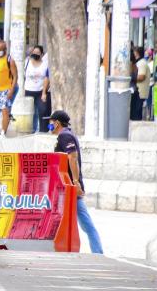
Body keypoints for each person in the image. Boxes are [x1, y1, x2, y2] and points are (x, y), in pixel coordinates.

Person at [48, 110, 103, 254]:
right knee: (79, 222)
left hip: (70, 187)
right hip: (66, 186)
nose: (49, 125)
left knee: (85, 223)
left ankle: (98, 252)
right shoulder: (65, 135)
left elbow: (72, 158)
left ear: (57, 123)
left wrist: (76, 183)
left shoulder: (65, 135)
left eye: (51, 123)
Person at [24, 45, 50, 134]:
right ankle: (32, 130)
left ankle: (42, 130)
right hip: (28, 90)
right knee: (31, 112)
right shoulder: (27, 62)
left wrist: (44, 92)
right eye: (34, 52)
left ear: (42, 54)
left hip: (40, 91)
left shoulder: (45, 64)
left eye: (38, 53)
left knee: (42, 110)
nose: (35, 54)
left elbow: (47, 78)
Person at [132, 47, 151, 120]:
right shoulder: (139, 62)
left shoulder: (142, 63)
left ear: (137, 53)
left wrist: (131, 79)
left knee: (137, 113)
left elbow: (141, 77)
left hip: (140, 92)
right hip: (138, 92)